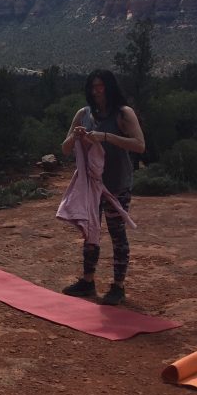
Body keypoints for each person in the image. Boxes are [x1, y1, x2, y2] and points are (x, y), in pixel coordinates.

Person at [60, 70, 145, 305]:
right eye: (93, 87)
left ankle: (118, 286)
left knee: (117, 234)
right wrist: (75, 137)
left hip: (117, 184)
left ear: (110, 87)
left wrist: (105, 137)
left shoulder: (123, 114)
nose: (97, 91)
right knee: (90, 232)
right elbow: (65, 149)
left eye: (101, 86)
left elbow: (139, 145)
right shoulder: (83, 114)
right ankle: (88, 281)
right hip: (91, 185)